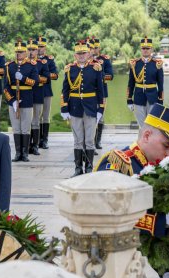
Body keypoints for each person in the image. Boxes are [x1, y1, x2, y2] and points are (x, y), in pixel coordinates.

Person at [95, 104, 169, 278]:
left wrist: (164, 269)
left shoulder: (153, 171)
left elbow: (146, 237)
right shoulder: (119, 162)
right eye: (166, 146)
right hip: (103, 263)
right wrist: (161, 222)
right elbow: (108, 214)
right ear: (147, 136)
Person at [61, 40, 104, 177]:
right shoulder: (70, 69)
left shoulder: (95, 68)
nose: (81, 56)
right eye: (78, 53)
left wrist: (100, 109)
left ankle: (89, 168)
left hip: (91, 108)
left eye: (83, 53)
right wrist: (64, 108)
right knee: (78, 140)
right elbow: (65, 90)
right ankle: (78, 169)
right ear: (75, 55)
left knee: (89, 140)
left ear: (89, 54)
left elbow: (100, 90)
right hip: (74, 108)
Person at [4, 40, 38, 162]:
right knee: (16, 127)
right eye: (17, 52)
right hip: (13, 100)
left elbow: (35, 82)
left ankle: (25, 153)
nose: (19, 54)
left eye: (21, 52)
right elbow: (6, 86)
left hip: (27, 99)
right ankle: (18, 153)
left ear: (26, 52)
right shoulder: (9, 66)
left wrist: (23, 78)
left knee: (25, 127)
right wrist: (12, 100)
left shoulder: (32, 65)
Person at [127, 36, 164, 127]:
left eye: (148, 48)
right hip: (138, 97)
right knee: (142, 126)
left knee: (151, 125)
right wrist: (129, 100)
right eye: (143, 48)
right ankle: (142, 141)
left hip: (153, 98)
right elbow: (130, 83)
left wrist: (160, 100)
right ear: (141, 49)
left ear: (151, 49)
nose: (145, 50)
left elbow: (160, 84)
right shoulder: (135, 64)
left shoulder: (157, 64)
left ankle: (151, 142)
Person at [28, 38, 50, 155]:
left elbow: (47, 78)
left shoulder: (42, 64)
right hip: (25, 95)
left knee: (36, 121)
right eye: (29, 49)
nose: (31, 52)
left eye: (33, 50)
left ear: (37, 51)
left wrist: (34, 80)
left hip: (37, 94)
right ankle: (27, 146)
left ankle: (35, 145)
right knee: (26, 122)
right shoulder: (22, 64)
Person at [91, 37, 113, 151]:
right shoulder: (85, 60)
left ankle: (97, 141)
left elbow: (110, 75)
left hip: (102, 92)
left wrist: (99, 76)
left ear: (99, 48)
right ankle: (89, 143)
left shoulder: (104, 59)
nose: (93, 50)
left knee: (100, 117)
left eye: (95, 48)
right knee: (89, 117)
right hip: (88, 93)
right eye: (91, 48)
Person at [37, 36, 58, 149]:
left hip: (45, 90)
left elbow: (55, 75)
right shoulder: (32, 60)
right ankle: (36, 139)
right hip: (34, 91)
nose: (39, 48)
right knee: (36, 117)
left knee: (45, 116)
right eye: (38, 46)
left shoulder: (49, 60)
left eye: (41, 46)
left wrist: (44, 76)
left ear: (45, 47)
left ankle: (44, 140)